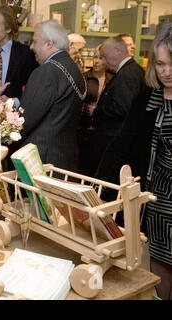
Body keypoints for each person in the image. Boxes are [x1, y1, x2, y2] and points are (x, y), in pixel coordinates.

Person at [18, 19, 86, 172]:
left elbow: (25, 119)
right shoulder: (74, 68)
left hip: (42, 160)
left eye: (35, 42)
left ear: (49, 44)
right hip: (65, 157)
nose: (31, 47)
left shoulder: (47, 71)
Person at [140, 23, 172, 300]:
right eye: (161, 63)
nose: (166, 71)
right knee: (158, 269)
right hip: (157, 200)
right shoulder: (151, 96)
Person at [91, 36, 149, 181]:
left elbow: (123, 108)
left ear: (117, 51)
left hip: (116, 142)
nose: (103, 61)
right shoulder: (130, 70)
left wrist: (98, 111)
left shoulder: (127, 73)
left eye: (104, 56)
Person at [0, 5, 37, 104]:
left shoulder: (26, 54)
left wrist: (15, 101)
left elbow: (35, 91)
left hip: (15, 116)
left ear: (8, 28)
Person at [78, 44, 114, 176]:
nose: (97, 61)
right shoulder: (84, 77)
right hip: (84, 132)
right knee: (83, 169)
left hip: (103, 132)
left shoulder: (112, 79)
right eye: (95, 57)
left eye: (100, 58)